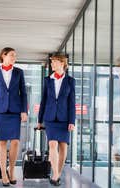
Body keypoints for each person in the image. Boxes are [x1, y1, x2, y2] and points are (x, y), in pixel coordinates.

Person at [0, 47, 28, 186]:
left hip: (15, 111)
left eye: (15, 56)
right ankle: (3, 174)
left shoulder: (19, 72)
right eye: (12, 55)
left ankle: (11, 169)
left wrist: (24, 111)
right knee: (2, 142)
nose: (14, 58)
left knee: (16, 141)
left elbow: (23, 93)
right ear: (3, 56)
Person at [37, 54, 75, 186]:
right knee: (52, 144)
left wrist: (72, 121)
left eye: (54, 62)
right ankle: (55, 174)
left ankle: (58, 173)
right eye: (51, 62)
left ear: (62, 63)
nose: (52, 64)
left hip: (64, 118)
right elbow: (43, 100)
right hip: (50, 118)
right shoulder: (48, 80)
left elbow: (72, 102)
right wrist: (39, 119)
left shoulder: (70, 81)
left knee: (63, 146)